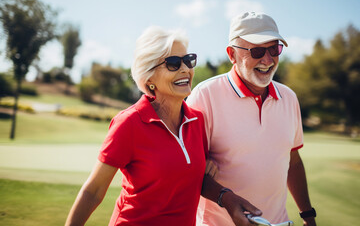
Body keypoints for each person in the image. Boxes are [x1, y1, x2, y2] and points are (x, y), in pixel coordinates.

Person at [65, 26, 260, 226]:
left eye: (188, 60)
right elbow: (93, 191)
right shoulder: (129, 123)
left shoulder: (197, 121)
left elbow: (192, 178)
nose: (185, 69)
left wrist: (226, 196)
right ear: (149, 79)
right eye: (173, 63)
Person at [187, 12, 317, 226]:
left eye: (274, 49)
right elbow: (187, 171)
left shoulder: (289, 98)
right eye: (257, 51)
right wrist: (225, 198)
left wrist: (308, 215)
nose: (267, 60)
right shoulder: (204, 96)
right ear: (232, 54)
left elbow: (292, 162)